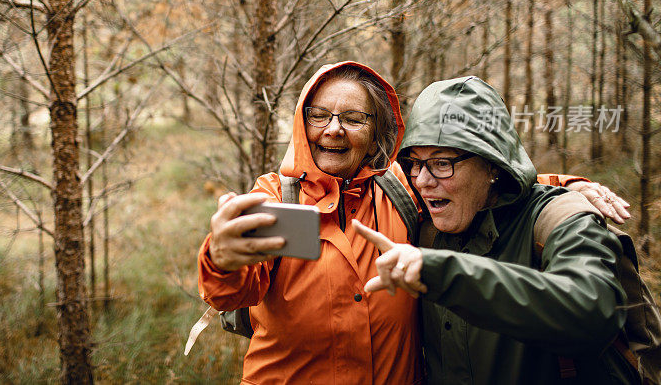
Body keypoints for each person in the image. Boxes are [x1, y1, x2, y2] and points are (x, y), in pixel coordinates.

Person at [197, 63, 628, 384]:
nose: (333, 130)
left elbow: (476, 178)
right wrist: (221, 258)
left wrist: (568, 185)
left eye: (352, 118)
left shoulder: (401, 191)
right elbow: (233, 290)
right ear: (301, 122)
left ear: (375, 130)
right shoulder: (276, 198)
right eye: (319, 115)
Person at [354, 76, 635, 384]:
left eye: (442, 163)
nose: (422, 180)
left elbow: (593, 314)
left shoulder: (561, 221)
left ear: (492, 166)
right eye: (414, 163)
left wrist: (445, 274)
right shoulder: (422, 224)